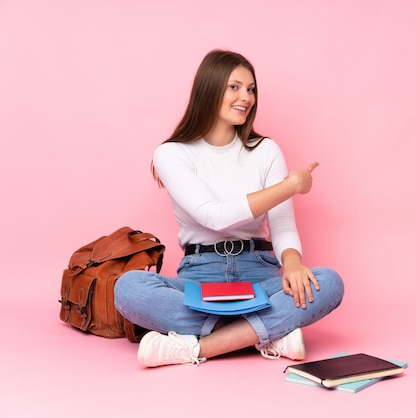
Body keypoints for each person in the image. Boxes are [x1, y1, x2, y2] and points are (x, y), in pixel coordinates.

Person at [114, 49, 344, 368]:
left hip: (259, 273)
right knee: (129, 288)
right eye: (234, 87)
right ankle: (265, 333)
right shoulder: (172, 154)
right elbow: (214, 215)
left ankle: (197, 348)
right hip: (199, 275)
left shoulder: (265, 151)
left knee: (328, 282)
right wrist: (290, 186)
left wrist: (292, 263)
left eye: (250, 89)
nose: (245, 97)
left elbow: (283, 226)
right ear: (210, 89)